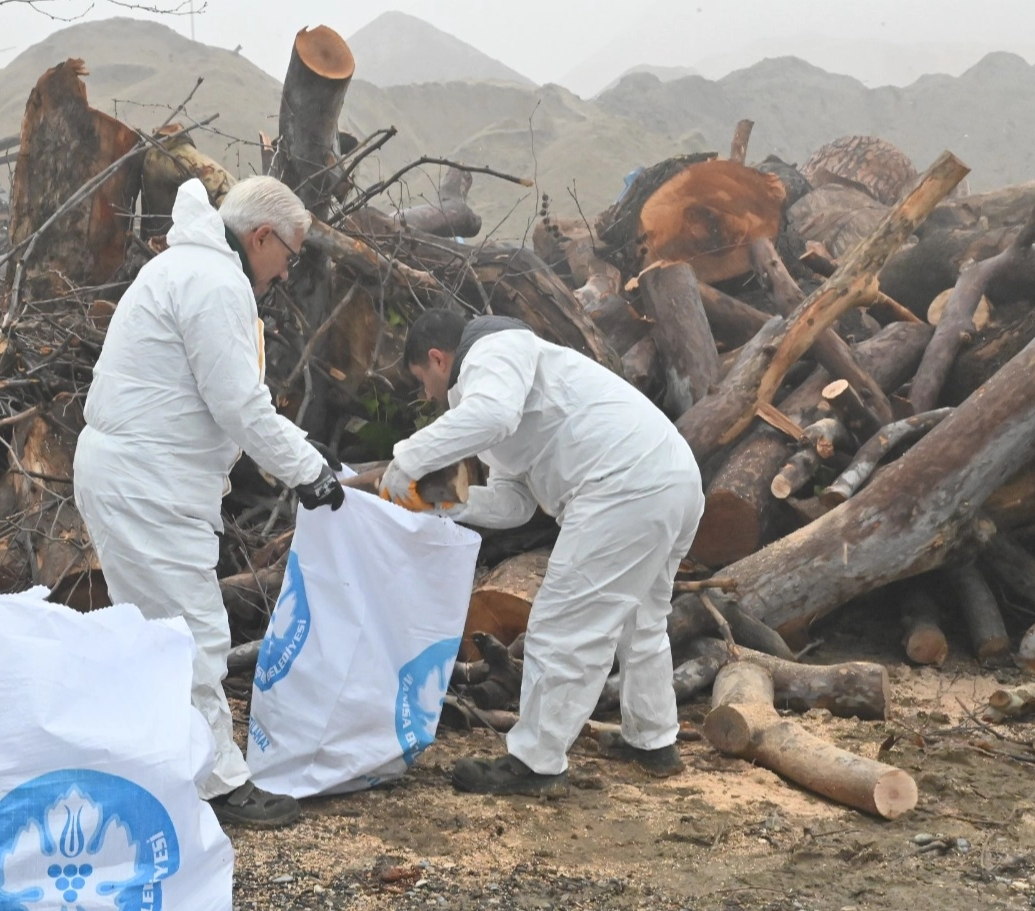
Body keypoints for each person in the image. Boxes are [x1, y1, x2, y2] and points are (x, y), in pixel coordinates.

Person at [74, 175, 345, 828]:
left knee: (154, 637)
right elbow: (239, 403)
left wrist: (302, 454)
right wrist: (309, 470)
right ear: (261, 237)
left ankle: (156, 767)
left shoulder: (190, 268)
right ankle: (220, 784)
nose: (286, 273)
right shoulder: (215, 282)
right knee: (190, 636)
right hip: (148, 483)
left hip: (141, 475)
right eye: (290, 255)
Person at [381, 310, 703, 796]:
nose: (428, 396)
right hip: (667, 479)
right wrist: (444, 504)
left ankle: (535, 763)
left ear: (437, 358)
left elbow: (490, 415)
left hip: (624, 485)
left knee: (561, 625)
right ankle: (653, 740)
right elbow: (516, 504)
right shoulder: (506, 384)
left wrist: (406, 460)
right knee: (642, 619)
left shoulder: (494, 353)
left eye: (423, 381)